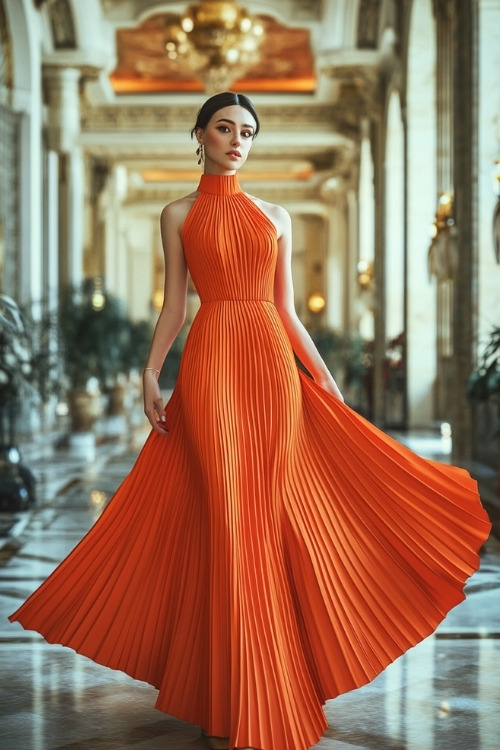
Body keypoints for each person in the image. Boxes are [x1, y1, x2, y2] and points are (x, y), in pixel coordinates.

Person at [9, 92, 491, 750]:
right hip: (210, 367)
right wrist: (153, 375)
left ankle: (267, 683)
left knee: (264, 513)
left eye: (248, 133)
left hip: (270, 367)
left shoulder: (276, 214)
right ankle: (234, 687)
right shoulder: (176, 214)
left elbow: (287, 310)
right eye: (226, 128)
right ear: (200, 135)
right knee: (226, 511)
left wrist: (322, 375)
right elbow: (175, 306)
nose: (238, 140)